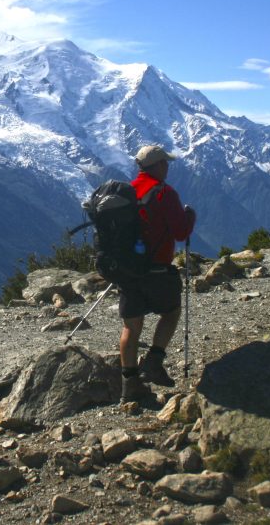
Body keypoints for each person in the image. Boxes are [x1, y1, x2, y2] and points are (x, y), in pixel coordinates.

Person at [118, 144, 196, 402]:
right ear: (159, 165)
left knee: (131, 326)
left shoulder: (126, 192)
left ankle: (129, 385)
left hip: (128, 271)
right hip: (158, 270)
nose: (168, 168)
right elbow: (181, 232)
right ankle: (153, 361)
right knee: (171, 312)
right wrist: (190, 217)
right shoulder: (165, 193)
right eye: (166, 163)